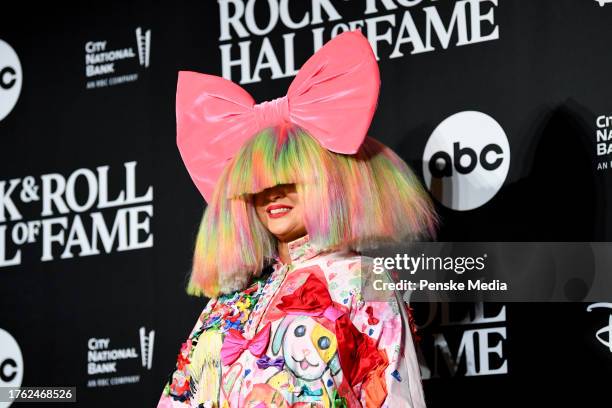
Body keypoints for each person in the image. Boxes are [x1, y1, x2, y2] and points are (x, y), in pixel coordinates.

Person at [158, 30, 437, 408]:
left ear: (329, 184)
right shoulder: (226, 301)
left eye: (290, 181)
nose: (272, 194)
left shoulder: (361, 281)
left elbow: (394, 396)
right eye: (258, 183)